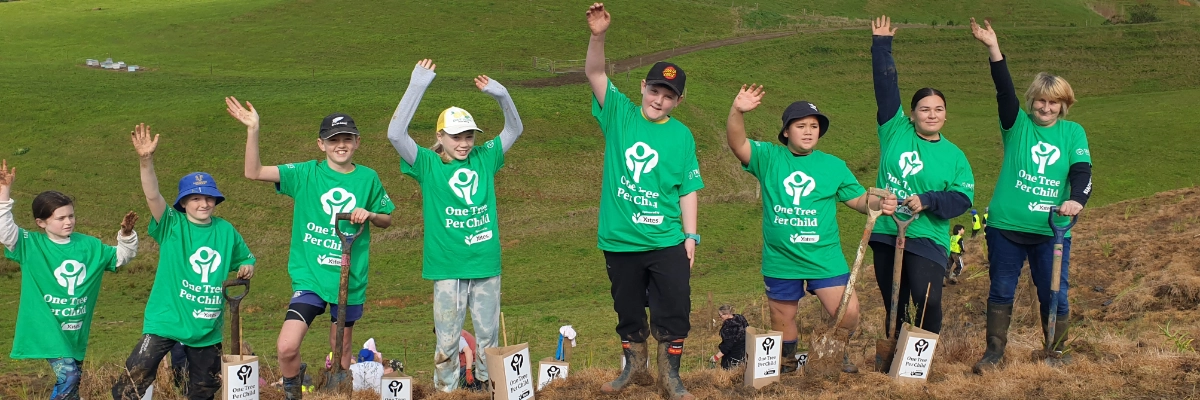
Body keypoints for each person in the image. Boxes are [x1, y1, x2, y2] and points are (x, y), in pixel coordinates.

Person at [227, 98, 395, 399]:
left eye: (347, 139)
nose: (340, 145)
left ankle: (338, 391)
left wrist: (370, 214)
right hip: (311, 278)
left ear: (357, 142)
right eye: (333, 140)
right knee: (286, 346)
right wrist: (253, 129)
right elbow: (254, 172)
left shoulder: (368, 178)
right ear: (321, 144)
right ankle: (293, 389)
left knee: (341, 347)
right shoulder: (305, 174)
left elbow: (387, 218)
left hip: (349, 277)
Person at [725, 85, 898, 374]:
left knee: (848, 313)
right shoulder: (768, 158)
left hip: (824, 257)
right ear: (786, 132)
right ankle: (786, 364)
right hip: (781, 259)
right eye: (801, 126)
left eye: (814, 126)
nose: (808, 132)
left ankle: (831, 352)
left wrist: (878, 202)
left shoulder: (833, 165)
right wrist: (737, 111)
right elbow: (737, 143)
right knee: (782, 318)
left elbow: (858, 199)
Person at [585, 4, 705, 399]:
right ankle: (634, 370)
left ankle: (671, 378)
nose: (659, 100)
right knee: (628, 310)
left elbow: (687, 188)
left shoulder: (682, 136)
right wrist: (599, 35)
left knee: (675, 308)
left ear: (678, 101)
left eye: (669, 96)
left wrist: (690, 236)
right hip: (620, 240)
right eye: (655, 91)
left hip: (666, 240)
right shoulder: (618, 114)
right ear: (642, 88)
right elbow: (595, 73)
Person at [387, 58, 523, 392]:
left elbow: (514, 129)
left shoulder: (485, 157)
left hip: (485, 262)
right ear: (440, 136)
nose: (464, 143)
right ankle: (446, 392)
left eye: (469, 136)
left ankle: (487, 388)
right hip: (447, 266)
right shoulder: (427, 163)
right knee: (447, 340)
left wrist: (502, 94)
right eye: (456, 137)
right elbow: (395, 134)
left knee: (488, 337)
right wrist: (417, 85)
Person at [969, 17, 1092, 373]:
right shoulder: (1016, 125)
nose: (1046, 108)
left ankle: (1055, 350)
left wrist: (1076, 201)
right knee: (1001, 290)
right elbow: (1004, 91)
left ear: (1064, 104)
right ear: (1032, 102)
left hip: (1052, 231)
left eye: (1054, 103)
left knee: (1055, 292)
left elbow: (1082, 173)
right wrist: (994, 49)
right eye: (1041, 101)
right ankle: (994, 354)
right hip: (1006, 226)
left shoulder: (1072, 133)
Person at [113, 124, 256, 399]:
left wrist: (247, 266)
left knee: (204, 389)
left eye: (209, 198)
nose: (204, 203)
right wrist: (146, 160)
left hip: (206, 326)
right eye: (196, 198)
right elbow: (152, 195)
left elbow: (245, 257)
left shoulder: (225, 230)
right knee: (132, 380)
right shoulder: (171, 224)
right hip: (166, 319)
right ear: (183, 202)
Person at [869, 16, 976, 364]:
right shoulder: (894, 129)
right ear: (912, 114)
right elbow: (886, 87)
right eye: (924, 109)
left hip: (928, 236)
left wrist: (928, 200)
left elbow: (962, 198)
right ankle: (892, 358)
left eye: (938, 109)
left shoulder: (955, 155)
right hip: (888, 230)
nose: (932, 114)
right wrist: (881, 46)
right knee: (895, 301)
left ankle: (918, 360)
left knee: (927, 298)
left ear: (946, 115)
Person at [1, 160, 138, 400]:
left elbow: (120, 258)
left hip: (75, 328)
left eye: (71, 216)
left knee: (73, 386)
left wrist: (125, 235)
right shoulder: (30, 245)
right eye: (60, 218)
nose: (68, 222)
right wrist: (4, 192)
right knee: (69, 377)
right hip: (45, 326)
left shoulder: (89, 245)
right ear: (41, 222)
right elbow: (5, 230)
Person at [711, 305, 748, 370]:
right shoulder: (741, 318)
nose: (720, 317)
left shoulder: (728, 327)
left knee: (730, 370)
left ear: (727, 314)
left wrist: (716, 357)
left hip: (733, 357)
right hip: (744, 352)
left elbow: (727, 346)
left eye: (720, 315)